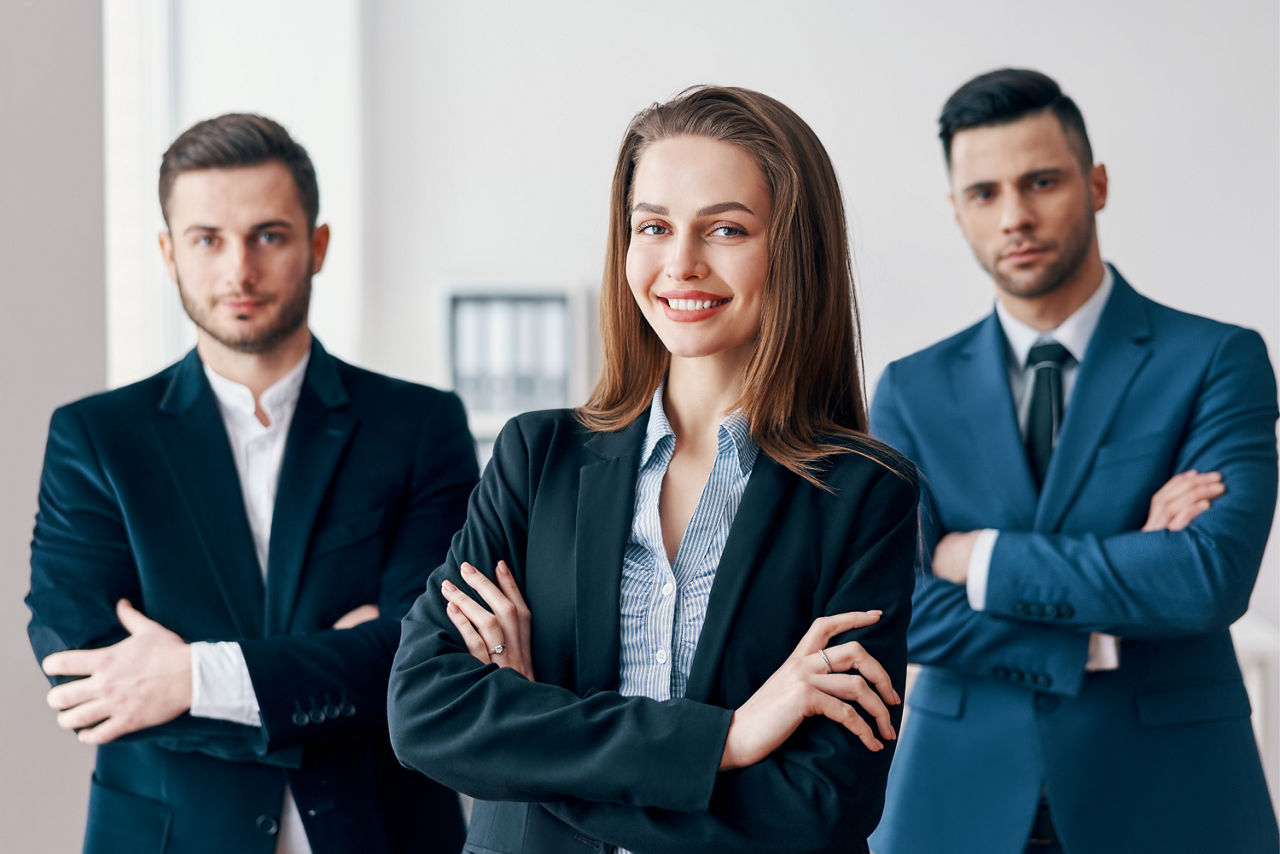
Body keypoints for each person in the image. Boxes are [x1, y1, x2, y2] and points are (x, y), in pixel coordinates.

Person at [387, 85, 919, 854]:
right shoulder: (536, 459)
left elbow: (818, 804)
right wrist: (725, 741)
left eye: (726, 229)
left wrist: (532, 736)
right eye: (654, 227)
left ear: (792, 250)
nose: (681, 264)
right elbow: (425, 713)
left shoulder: (864, 493)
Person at [26, 114, 476, 854]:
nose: (238, 270)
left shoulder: (420, 426)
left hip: (383, 832)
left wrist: (189, 676)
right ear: (169, 254)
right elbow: (86, 672)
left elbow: (424, 656)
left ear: (317, 245)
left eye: (268, 235)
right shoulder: (97, 439)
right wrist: (332, 675)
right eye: (207, 239)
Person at [868, 68, 1279, 854]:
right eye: (984, 193)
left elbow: (1204, 581)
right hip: (958, 796)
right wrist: (1107, 616)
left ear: (1096, 184)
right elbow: (903, 609)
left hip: (1172, 788)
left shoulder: (1218, 360)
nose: (1015, 216)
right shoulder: (909, 390)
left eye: (1042, 181)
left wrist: (975, 556)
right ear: (957, 212)